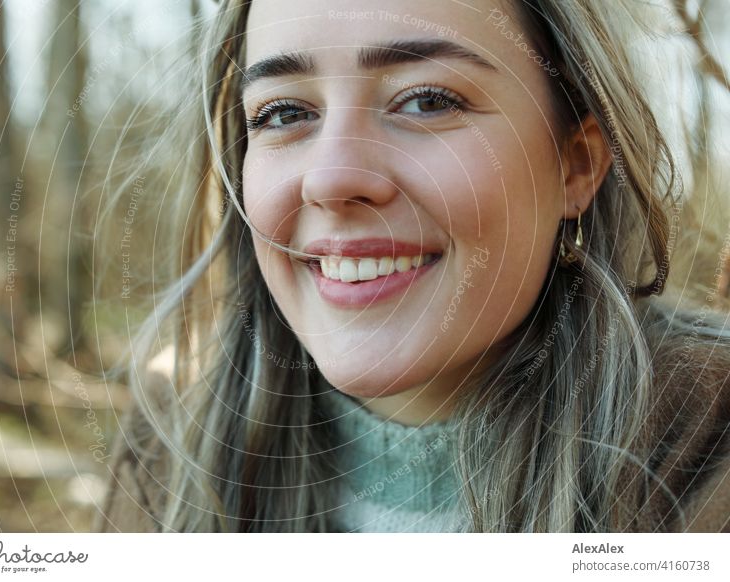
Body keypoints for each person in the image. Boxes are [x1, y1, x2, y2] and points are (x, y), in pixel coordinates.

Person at [93, 0, 730, 532]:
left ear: (576, 164)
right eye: (284, 113)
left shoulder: (712, 457)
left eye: (426, 101)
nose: (333, 178)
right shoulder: (167, 453)